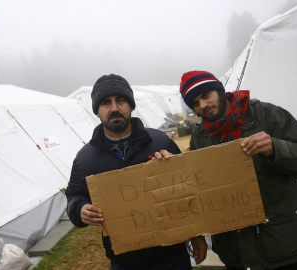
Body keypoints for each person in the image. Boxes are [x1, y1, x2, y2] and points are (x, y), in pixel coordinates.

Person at [155, 70, 297, 270]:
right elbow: (198, 188)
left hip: (283, 247)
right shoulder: (201, 137)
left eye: (206, 96)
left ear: (220, 91)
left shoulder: (267, 115)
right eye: (196, 103)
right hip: (236, 253)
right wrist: (175, 169)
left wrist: (275, 148)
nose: (203, 105)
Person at [65, 74, 207, 270]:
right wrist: (79, 209)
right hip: (125, 261)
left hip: (171, 256)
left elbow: (186, 188)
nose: (114, 108)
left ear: (131, 105)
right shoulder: (85, 159)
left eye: (120, 100)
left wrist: (197, 235)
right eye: (106, 103)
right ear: (97, 111)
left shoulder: (160, 142)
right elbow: (74, 194)